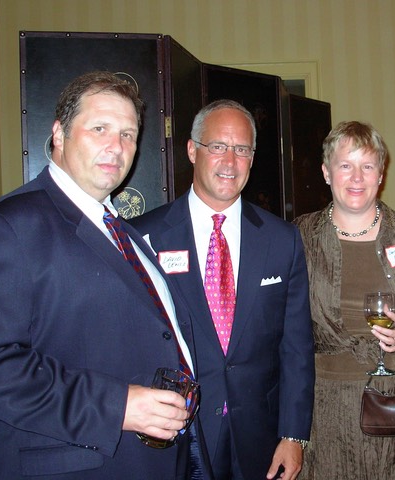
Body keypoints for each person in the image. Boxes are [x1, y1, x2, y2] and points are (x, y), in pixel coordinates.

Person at [0, 71, 212, 479]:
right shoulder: (11, 227)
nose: (116, 147)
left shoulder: (123, 230)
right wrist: (117, 406)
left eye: (128, 134)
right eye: (99, 128)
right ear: (59, 134)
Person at [130, 99, 315, 480]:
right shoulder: (144, 238)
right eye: (218, 146)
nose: (230, 161)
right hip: (179, 434)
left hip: (259, 437)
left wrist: (294, 435)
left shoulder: (283, 240)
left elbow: (296, 348)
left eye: (242, 149)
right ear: (192, 150)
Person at [293, 121, 395, 479]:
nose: (357, 177)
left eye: (368, 166)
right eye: (345, 165)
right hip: (326, 404)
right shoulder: (299, 237)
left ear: (381, 174)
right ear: (326, 172)